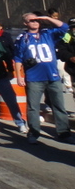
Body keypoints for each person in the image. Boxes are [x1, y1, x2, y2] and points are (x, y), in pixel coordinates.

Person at [14, 13, 72, 144]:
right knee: (33, 107)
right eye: (31, 21)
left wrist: (47, 19)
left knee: (59, 106)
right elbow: (17, 58)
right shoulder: (23, 38)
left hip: (53, 76)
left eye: (37, 20)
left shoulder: (48, 33)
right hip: (34, 78)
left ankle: (64, 133)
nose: (35, 22)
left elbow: (64, 27)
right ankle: (34, 132)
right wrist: (19, 76)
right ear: (25, 23)